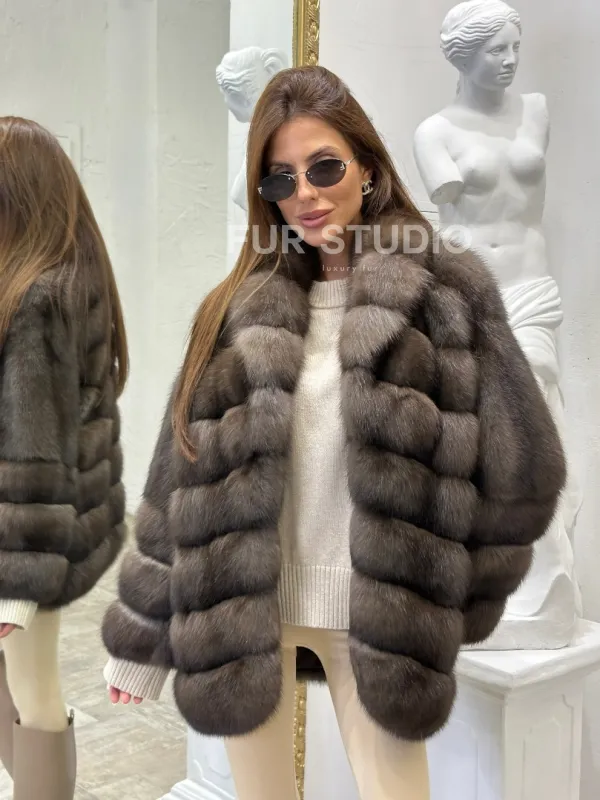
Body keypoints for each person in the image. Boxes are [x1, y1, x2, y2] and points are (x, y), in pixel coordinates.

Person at [102, 66, 565, 800]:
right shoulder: (235, 310)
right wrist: (139, 638)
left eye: (324, 168)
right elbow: (176, 482)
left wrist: (453, 595)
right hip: (245, 613)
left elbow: (527, 468)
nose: (307, 196)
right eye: (281, 180)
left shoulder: (446, 295)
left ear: (367, 167)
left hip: (378, 618)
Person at [413, 0, 581, 649]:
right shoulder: (435, 132)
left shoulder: (535, 109)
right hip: (479, 296)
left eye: (515, 47)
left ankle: (547, 572)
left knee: (539, 412)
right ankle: (494, 579)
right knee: (484, 434)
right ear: (463, 56)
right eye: (495, 51)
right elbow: (451, 222)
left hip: (531, 290)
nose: (510, 60)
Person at [0, 117, 128, 800]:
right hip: (41, 531)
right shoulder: (62, 280)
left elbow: (37, 448)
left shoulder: (41, 299)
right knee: (22, 689)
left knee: (35, 694)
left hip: (28, 544)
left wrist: (18, 587)